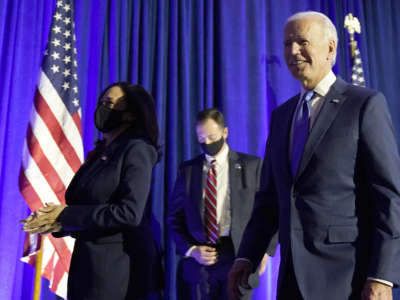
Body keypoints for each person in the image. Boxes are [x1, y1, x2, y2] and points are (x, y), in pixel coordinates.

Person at [228, 11, 400, 300]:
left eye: (302, 41)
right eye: (287, 44)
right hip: (292, 279)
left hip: (348, 279)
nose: (293, 51)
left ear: (330, 48)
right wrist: (246, 257)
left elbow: (388, 197)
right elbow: (270, 200)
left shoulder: (364, 105)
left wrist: (382, 275)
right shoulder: (282, 116)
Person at [22, 82, 163, 300]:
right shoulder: (100, 152)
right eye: (102, 102)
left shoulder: (137, 149)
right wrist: (56, 222)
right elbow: (83, 204)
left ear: (131, 115)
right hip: (86, 265)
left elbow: (129, 213)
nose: (103, 108)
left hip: (116, 270)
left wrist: (65, 215)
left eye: (111, 103)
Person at [168, 108, 276, 300]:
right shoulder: (188, 170)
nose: (207, 142)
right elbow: (174, 218)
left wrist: (265, 251)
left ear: (225, 133)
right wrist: (191, 250)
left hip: (239, 254)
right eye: (201, 138)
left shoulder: (252, 166)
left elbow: (270, 210)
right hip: (201, 259)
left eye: (211, 136)